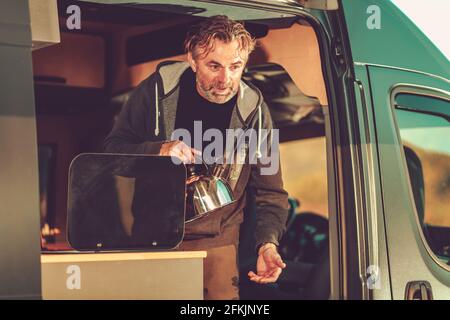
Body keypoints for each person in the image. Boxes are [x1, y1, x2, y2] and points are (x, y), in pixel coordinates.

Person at [104, 15, 289, 300]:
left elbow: (271, 193)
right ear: (192, 59)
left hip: (218, 246)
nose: (225, 79)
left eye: (235, 66)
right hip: (154, 241)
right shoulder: (155, 92)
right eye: (213, 66)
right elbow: (112, 154)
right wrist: (159, 150)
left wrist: (267, 244)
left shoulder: (256, 113)